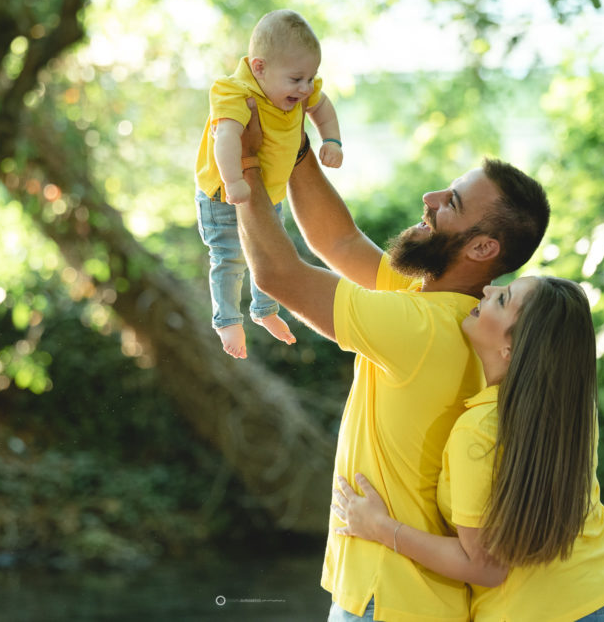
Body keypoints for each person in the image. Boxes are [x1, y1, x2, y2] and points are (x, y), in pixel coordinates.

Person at [234, 101, 550, 621]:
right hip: (414, 600)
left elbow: (278, 276)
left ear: (482, 248)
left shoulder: (423, 328)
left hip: (390, 601)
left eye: (451, 202)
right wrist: (292, 144)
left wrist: (243, 170)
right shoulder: (464, 314)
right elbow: (337, 240)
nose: (429, 199)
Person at [331, 276, 604, 622]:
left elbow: (487, 567)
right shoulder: (572, 415)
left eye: (503, 299)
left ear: (511, 349)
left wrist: (380, 528)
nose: (487, 291)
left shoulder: (479, 430)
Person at [194, 9, 342, 359]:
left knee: (272, 253)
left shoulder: (297, 89)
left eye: (311, 77)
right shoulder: (235, 91)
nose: (305, 88)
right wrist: (233, 180)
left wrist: (332, 141)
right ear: (259, 68)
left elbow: (323, 108)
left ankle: (264, 311)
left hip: (267, 193)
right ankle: (227, 319)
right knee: (230, 257)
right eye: (296, 79)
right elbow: (227, 137)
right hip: (223, 195)